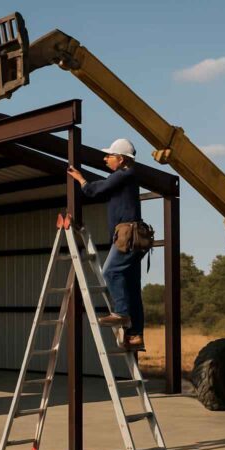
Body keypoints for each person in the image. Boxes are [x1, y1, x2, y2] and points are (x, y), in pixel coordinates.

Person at [66, 138, 146, 350]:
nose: (105, 159)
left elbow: (94, 190)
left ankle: (120, 313)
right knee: (131, 285)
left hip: (127, 235)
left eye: (109, 156)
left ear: (120, 159)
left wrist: (81, 180)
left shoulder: (123, 174)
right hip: (134, 237)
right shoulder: (128, 177)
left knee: (110, 271)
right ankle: (136, 335)